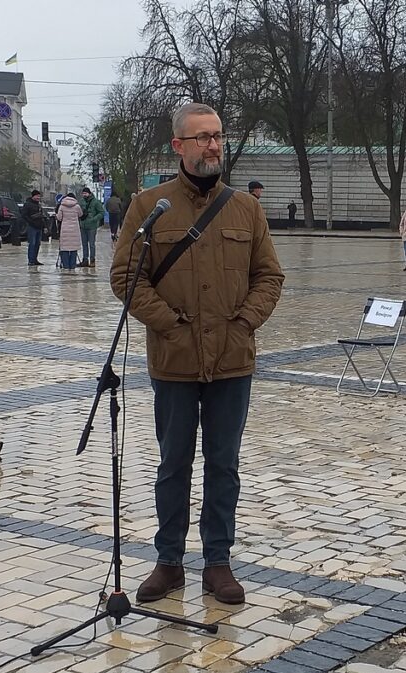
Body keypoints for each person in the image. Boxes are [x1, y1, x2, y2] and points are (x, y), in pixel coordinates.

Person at [111, 102, 284, 606]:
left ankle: (217, 561)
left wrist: (245, 322)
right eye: (203, 137)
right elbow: (126, 277)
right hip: (175, 361)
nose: (213, 145)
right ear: (179, 146)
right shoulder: (149, 206)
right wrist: (169, 325)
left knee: (223, 463)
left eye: (218, 136)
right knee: (173, 464)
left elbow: (269, 276)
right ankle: (169, 561)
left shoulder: (246, 209)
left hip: (232, 362)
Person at [55, 193, 82, 271]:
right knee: (73, 248)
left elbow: (59, 218)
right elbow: (81, 214)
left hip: (65, 229)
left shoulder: (62, 206)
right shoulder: (77, 206)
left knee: (65, 248)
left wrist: (56, 216)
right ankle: (72, 266)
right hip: (75, 230)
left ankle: (66, 266)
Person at [78, 187, 104, 266]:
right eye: (83, 193)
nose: (84, 195)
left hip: (92, 227)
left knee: (92, 244)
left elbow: (102, 212)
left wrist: (94, 219)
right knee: (84, 244)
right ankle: (85, 260)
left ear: (89, 193)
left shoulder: (95, 202)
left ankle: (92, 260)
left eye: (85, 193)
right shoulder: (81, 201)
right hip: (83, 226)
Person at [22, 189, 46, 266]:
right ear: (33, 196)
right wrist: (31, 222)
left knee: (37, 244)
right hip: (32, 227)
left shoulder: (39, 205)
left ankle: (35, 259)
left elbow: (42, 216)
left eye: (39, 196)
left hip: (39, 227)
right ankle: (30, 261)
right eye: (37, 196)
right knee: (32, 243)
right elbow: (24, 215)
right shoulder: (27, 204)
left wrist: (44, 226)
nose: (38, 198)